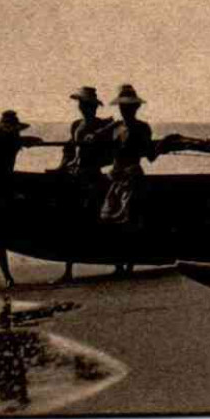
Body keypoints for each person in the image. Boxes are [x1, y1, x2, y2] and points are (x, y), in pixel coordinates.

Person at [54, 85, 114, 283]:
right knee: (70, 223)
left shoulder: (102, 126)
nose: (83, 107)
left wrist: (98, 137)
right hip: (75, 175)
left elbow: (110, 152)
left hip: (92, 176)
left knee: (100, 220)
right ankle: (68, 270)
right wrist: (60, 168)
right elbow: (69, 151)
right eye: (81, 104)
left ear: (94, 107)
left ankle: (119, 263)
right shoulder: (76, 124)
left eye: (86, 104)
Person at [97, 85, 158, 276]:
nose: (126, 110)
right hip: (115, 176)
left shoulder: (142, 127)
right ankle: (118, 263)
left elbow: (150, 155)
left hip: (132, 176)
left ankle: (129, 264)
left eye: (129, 107)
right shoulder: (114, 127)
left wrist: (162, 145)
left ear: (136, 108)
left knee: (128, 221)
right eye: (123, 107)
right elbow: (99, 146)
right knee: (111, 219)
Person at [0, 110, 41, 287]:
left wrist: (28, 141)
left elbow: (27, 141)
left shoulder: (13, 140)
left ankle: (8, 276)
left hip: (6, 185)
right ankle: (7, 276)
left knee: (0, 235)